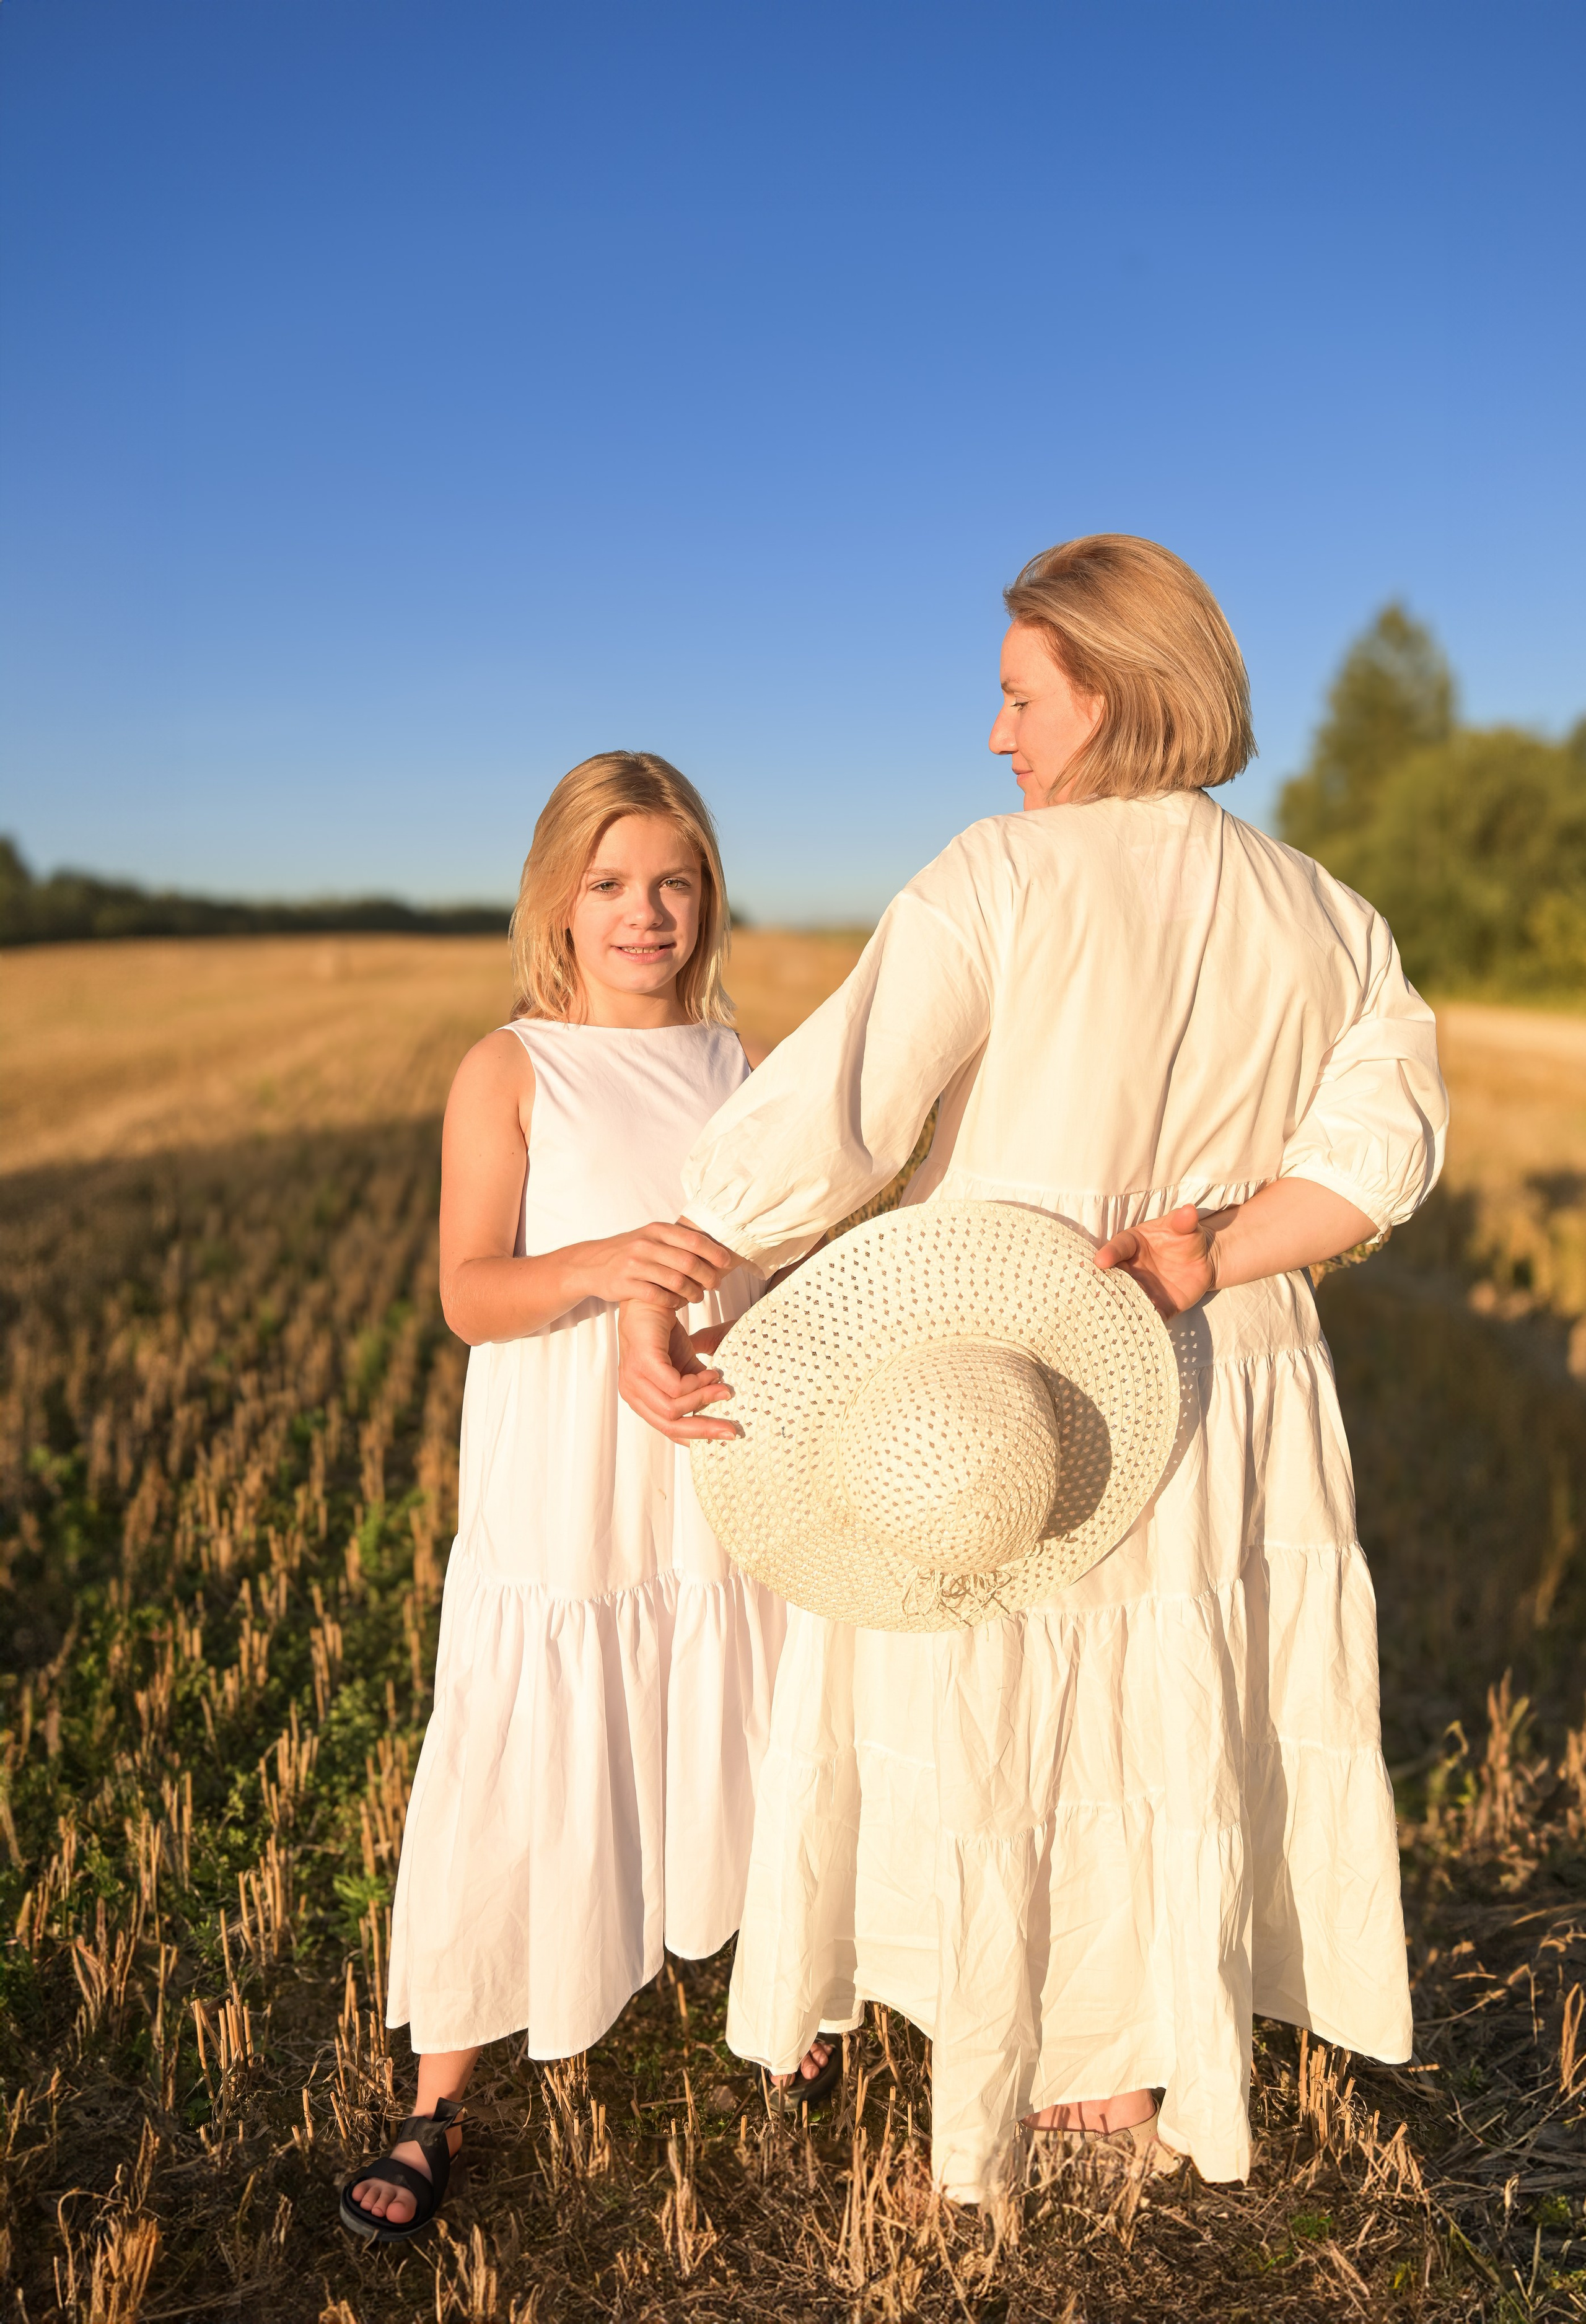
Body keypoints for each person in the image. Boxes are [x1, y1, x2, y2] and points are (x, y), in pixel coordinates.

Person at [618, 537, 1448, 2200]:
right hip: (1228, 1352)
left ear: (1115, 698)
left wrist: (691, 1246)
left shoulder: (1000, 875)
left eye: (1018, 697)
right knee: (1181, 1700)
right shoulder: (1329, 914)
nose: (997, 737)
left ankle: (1043, 2060)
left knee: (1015, 1692)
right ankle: (1138, 2061)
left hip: (1024, 1336)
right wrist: (1217, 1247)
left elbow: (839, 1111)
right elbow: (1389, 1153)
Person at [341, 752, 784, 2242]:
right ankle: (436, 2095)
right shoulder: (512, 1065)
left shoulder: (740, 1067)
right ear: (559, 899)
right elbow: (470, 1291)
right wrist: (605, 1266)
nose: (643, 912)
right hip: (561, 1464)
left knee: (741, 1695)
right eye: (608, 884)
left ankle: (779, 1986)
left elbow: (775, 1264)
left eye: (671, 880)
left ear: (706, 894)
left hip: (710, 1449)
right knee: (524, 1730)